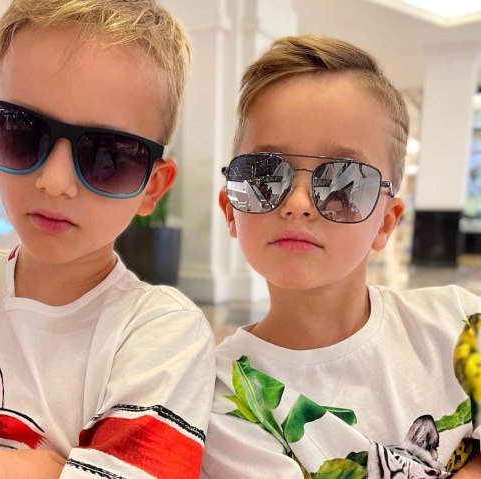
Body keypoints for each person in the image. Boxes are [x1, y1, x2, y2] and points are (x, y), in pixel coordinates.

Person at [0, 1, 215, 478]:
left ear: (152, 187)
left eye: (108, 155)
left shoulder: (161, 334)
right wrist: (30, 471)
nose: (55, 182)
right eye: (21, 134)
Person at [202, 35, 481, 478]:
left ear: (385, 222)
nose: (298, 203)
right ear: (231, 210)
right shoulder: (226, 396)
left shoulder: (457, 323)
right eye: (264, 176)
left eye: (345, 182)